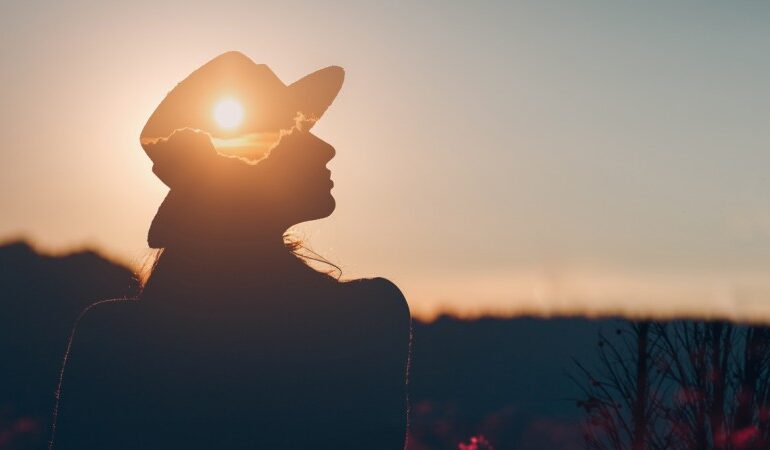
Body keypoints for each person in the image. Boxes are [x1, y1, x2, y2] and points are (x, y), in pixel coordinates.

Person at [52, 53, 412, 450]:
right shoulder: (367, 315)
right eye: (292, 133)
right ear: (245, 173)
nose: (326, 148)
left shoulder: (111, 336)